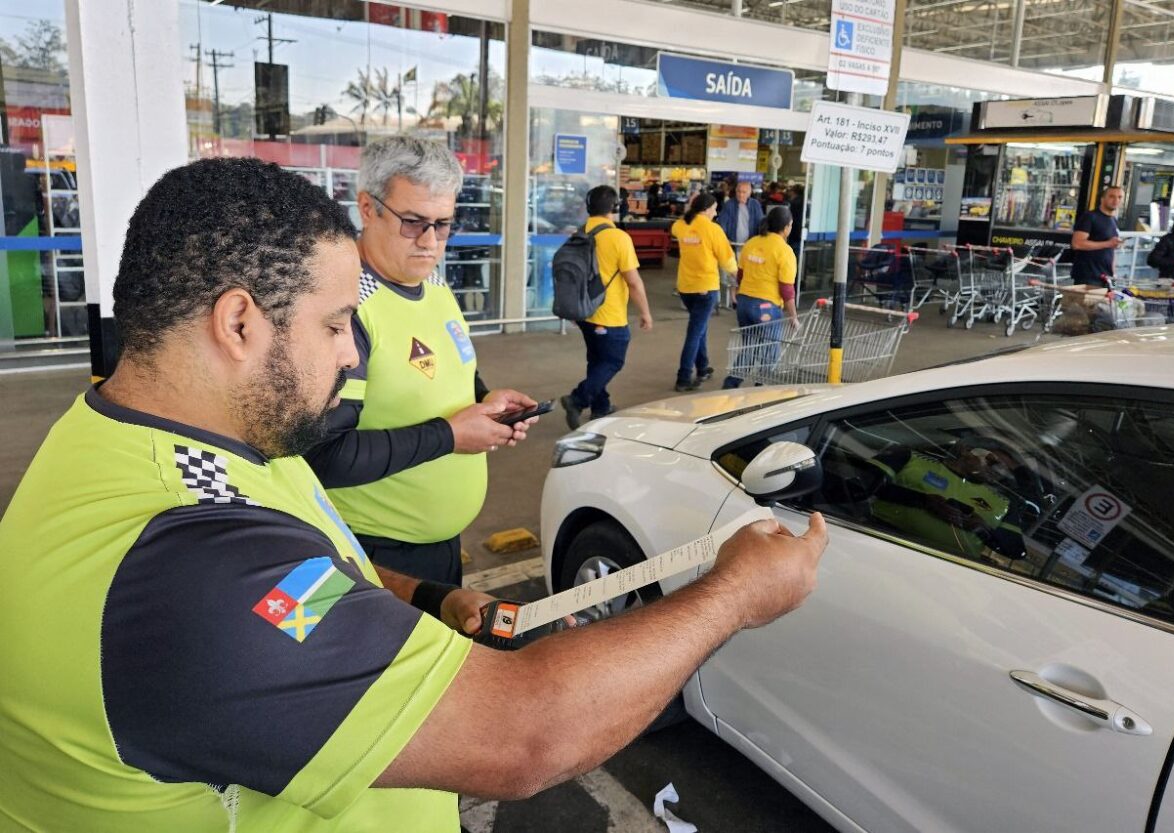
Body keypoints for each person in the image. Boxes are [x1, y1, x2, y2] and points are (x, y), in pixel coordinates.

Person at [0, 156, 830, 831]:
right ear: (240, 322)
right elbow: (528, 734)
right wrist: (736, 592)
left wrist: (427, 598)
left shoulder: (191, 441)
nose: (354, 357)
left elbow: (319, 563)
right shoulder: (191, 570)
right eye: (333, 327)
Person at [304, 137, 538, 590]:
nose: (430, 242)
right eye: (413, 223)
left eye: (443, 224)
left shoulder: (435, 289)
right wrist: (450, 436)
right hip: (371, 556)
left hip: (442, 545)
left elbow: (456, 375)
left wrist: (487, 401)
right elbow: (323, 455)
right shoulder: (345, 308)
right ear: (368, 208)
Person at [559, 185, 653, 429]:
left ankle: (601, 407)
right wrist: (645, 312)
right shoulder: (618, 237)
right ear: (615, 208)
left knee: (597, 360)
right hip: (608, 315)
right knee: (613, 361)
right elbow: (633, 282)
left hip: (584, 312)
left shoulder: (580, 232)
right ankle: (577, 400)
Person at [849, 437, 1030, 562]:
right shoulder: (909, 458)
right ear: (966, 450)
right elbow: (857, 489)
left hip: (951, 570)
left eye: (1007, 471)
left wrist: (983, 529)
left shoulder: (1004, 504)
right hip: (881, 545)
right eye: (993, 461)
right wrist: (923, 501)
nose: (999, 472)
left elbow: (1015, 550)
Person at [723, 205, 799, 389]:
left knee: (749, 346)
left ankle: (730, 386)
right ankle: (762, 389)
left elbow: (740, 275)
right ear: (787, 227)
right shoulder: (785, 251)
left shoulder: (751, 243)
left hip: (744, 304)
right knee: (770, 350)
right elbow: (786, 289)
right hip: (766, 308)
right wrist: (794, 317)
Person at [671, 192, 736, 391]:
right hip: (705, 288)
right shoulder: (712, 229)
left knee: (700, 328)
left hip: (685, 287)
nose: (715, 213)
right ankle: (683, 377)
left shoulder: (682, 225)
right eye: (714, 209)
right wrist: (738, 277)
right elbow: (726, 259)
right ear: (706, 209)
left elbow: (675, 228)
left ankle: (702, 367)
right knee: (695, 331)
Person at [1070, 186, 1124, 287]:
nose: (1116, 200)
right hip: (1088, 276)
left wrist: (1113, 273)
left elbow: (1111, 250)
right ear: (1102, 199)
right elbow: (1077, 243)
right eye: (1112, 196)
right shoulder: (1090, 217)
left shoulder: (1113, 220)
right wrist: (1108, 243)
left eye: (1120, 197)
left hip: (1105, 277)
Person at [717, 179, 765, 251]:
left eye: (744, 192)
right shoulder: (728, 205)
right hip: (732, 244)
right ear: (735, 191)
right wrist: (725, 239)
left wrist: (756, 240)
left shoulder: (755, 205)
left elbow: (761, 225)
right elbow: (722, 224)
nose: (740, 194)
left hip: (751, 245)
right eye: (738, 191)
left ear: (749, 193)